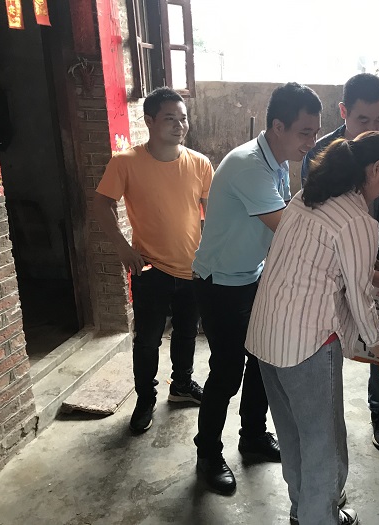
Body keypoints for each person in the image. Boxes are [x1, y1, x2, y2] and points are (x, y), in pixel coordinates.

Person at [247, 131, 379, 525]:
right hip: (307, 343)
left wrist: (372, 276)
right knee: (324, 446)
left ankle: (303, 511)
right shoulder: (358, 220)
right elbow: (359, 297)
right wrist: (378, 343)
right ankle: (320, 518)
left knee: (293, 435)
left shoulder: (306, 198)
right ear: (375, 169)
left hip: (267, 333)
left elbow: (324, 265)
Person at [192, 82, 323, 495]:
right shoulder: (249, 165)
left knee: (262, 359)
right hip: (220, 283)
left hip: (252, 275)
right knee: (227, 371)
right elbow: (288, 231)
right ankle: (207, 453)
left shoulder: (277, 160)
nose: (311, 142)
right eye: (305, 132)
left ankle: (252, 436)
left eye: (315, 132)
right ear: (278, 126)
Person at [301, 73, 379, 452]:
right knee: (329, 340)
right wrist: (356, 262)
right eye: (362, 120)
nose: (373, 129)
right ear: (343, 112)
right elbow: (314, 214)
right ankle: (327, 414)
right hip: (332, 270)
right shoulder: (322, 153)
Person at [93, 87, 213, 433]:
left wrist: (210, 255)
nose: (179, 125)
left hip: (193, 268)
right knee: (147, 340)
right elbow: (101, 204)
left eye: (183, 118)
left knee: (187, 333)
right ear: (149, 121)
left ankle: (181, 385)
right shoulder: (126, 162)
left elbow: (211, 214)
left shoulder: (200, 164)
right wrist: (122, 248)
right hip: (150, 268)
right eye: (169, 118)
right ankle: (145, 399)